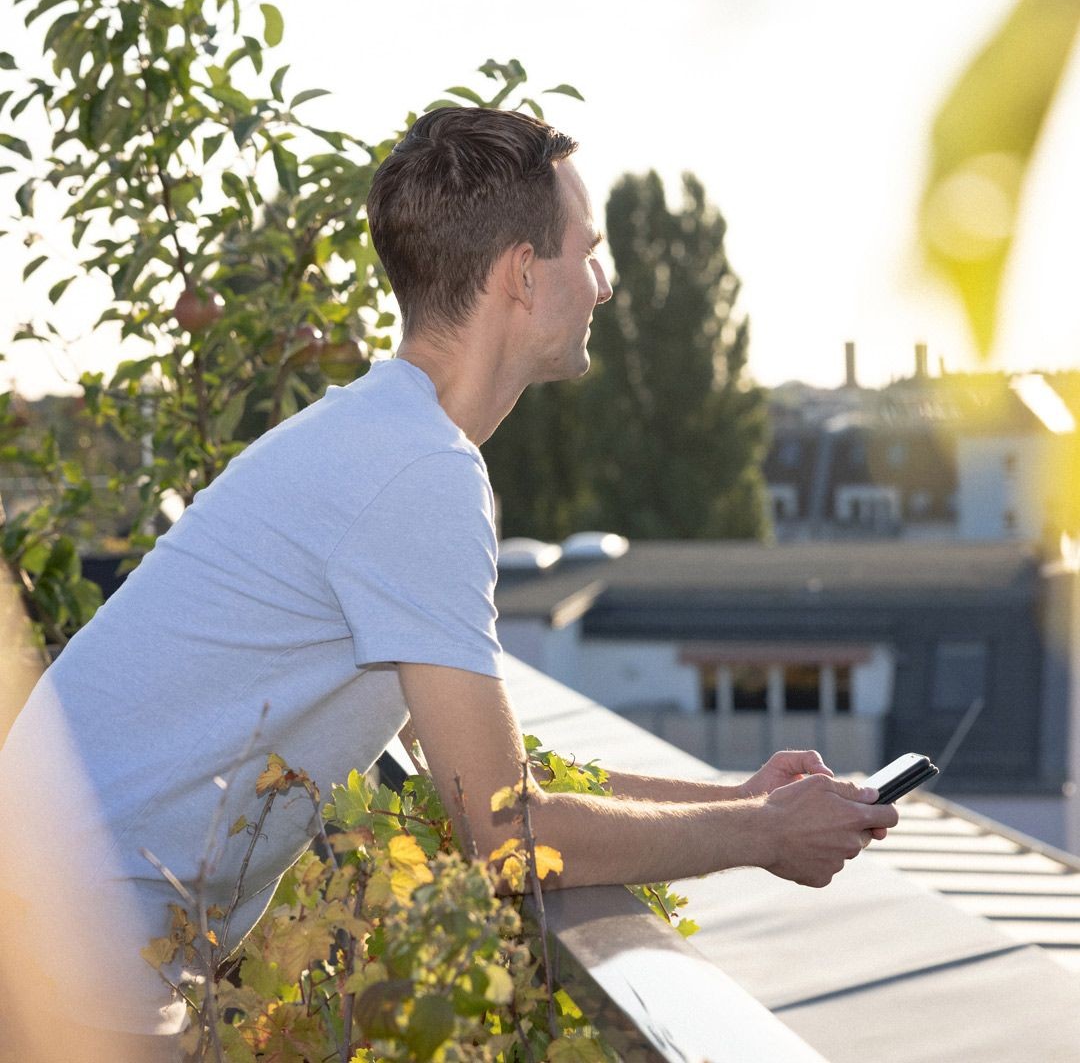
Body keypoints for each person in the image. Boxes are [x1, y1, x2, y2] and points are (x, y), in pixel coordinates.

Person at [0, 107, 898, 1053]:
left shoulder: (378, 437)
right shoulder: (419, 472)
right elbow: (508, 836)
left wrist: (740, 800)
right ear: (520, 274)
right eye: (587, 251)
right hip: (71, 951)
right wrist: (762, 836)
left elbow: (485, 768)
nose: (603, 281)